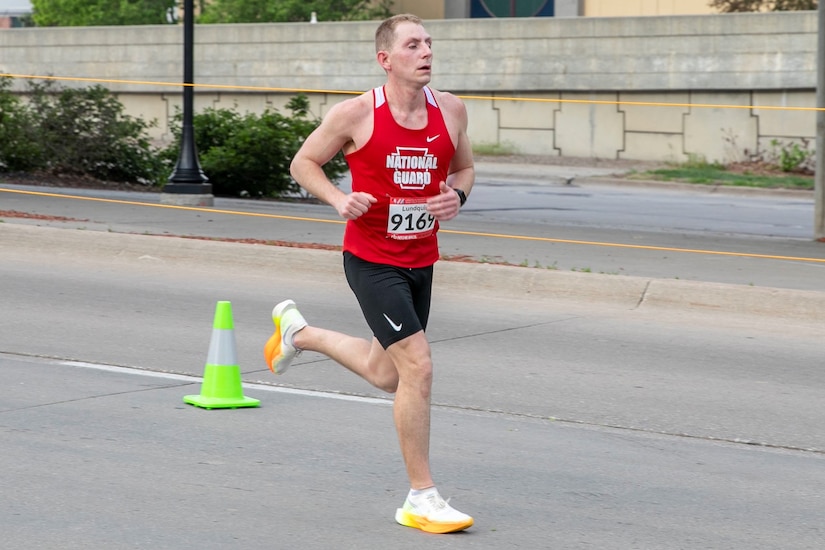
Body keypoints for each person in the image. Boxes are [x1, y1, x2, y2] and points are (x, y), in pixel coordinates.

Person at [264, 13, 475, 534]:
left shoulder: (451, 110)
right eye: (412, 45)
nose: (426, 52)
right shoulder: (356, 114)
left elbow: (464, 169)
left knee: (389, 374)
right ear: (386, 59)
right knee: (419, 368)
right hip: (372, 260)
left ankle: (299, 333)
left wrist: (457, 196)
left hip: (421, 259)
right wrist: (338, 198)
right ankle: (420, 497)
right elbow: (303, 163)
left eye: (428, 43)